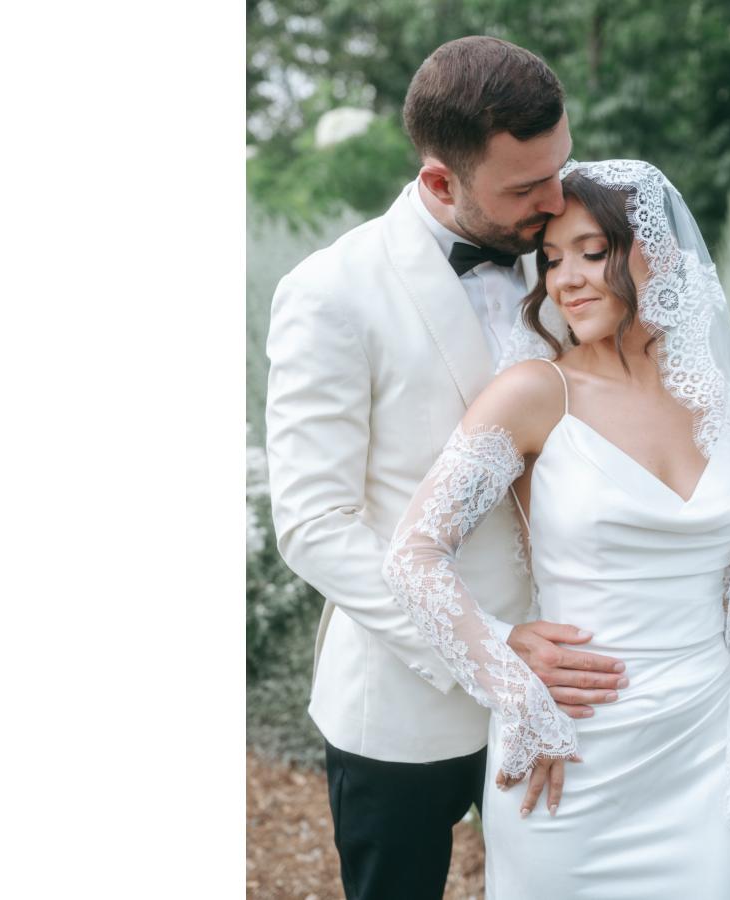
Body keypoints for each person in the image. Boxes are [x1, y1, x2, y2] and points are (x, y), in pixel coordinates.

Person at [384, 160, 730, 899]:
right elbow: (414, 555)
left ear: (661, 258)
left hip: (709, 758)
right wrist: (515, 685)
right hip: (573, 757)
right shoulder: (535, 392)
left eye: (593, 252)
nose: (566, 281)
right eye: (552, 260)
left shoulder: (713, 400)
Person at [265, 38, 628, 900]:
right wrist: (491, 648)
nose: (556, 200)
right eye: (525, 188)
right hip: (406, 704)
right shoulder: (331, 293)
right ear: (439, 181)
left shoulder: (571, 257)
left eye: (560, 168)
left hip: (575, 680)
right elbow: (313, 525)